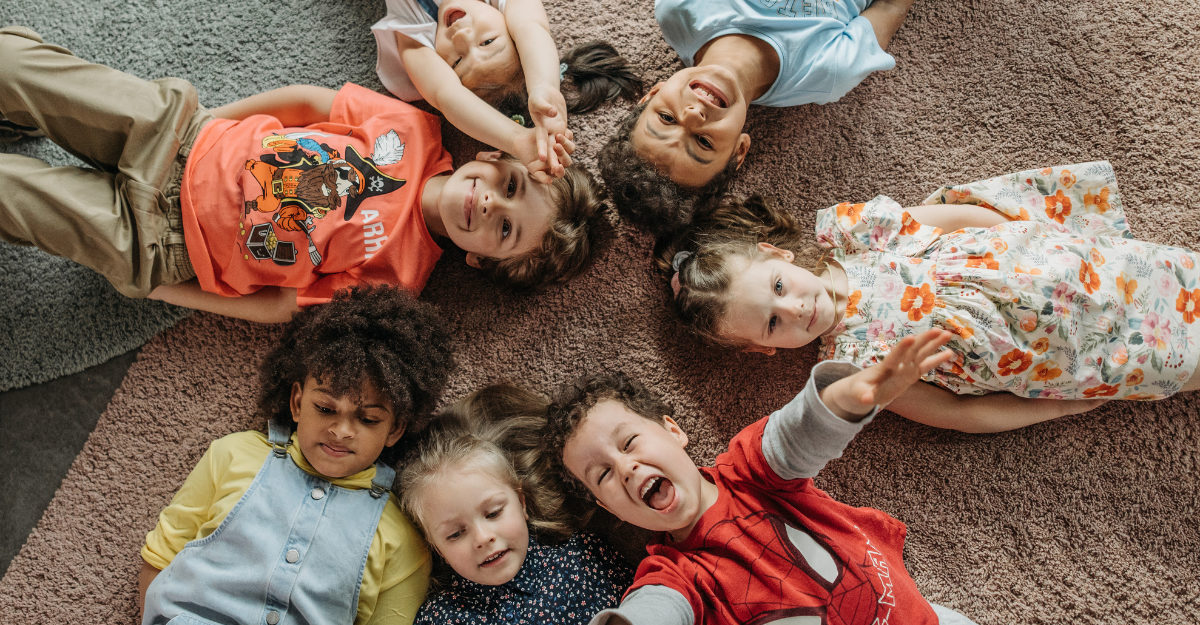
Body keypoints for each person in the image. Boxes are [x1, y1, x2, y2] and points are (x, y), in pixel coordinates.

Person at [0, 26, 607, 323]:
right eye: (510, 189)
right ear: (493, 157)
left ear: (479, 261)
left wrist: (157, 286)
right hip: (177, 138)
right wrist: (209, 121)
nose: (488, 207)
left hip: (161, 246)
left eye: (503, 232)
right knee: (18, 65)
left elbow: (283, 305)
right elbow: (309, 104)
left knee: (14, 196)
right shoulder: (414, 133)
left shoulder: (399, 281)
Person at [659, 162, 1200, 432]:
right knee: (1179, 360)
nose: (796, 308)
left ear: (777, 255)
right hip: (1063, 356)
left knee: (1175, 277)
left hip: (1069, 267)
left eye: (779, 288)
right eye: (773, 324)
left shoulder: (862, 234)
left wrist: (1035, 241)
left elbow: (964, 221)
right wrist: (1061, 405)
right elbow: (962, 413)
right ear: (762, 350)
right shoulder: (858, 371)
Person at [544, 330, 982, 625]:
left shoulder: (749, 468)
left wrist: (848, 397)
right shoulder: (674, 575)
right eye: (602, 474)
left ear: (673, 431)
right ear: (606, 506)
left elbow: (796, 434)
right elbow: (656, 608)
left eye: (629, 443)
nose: (625, 468)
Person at [137, 284, 456, 625]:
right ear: (297, 402)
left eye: (367, 419)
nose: (341, 430)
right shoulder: (233, 455)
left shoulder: (401, 536)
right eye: (324, 408)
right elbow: (160, 557)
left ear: (395, 430)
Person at [597, 0, 915, 235]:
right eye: (703, 142)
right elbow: (890, 6)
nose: (693, 115)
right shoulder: (826, 73)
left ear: (652, 94)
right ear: (739, 150)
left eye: (666, 119)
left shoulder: (680, 9)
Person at [396, 384, 634, 625]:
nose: (483, 538)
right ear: (437, 549)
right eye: (455, 533)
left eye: (494, 513)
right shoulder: (440, 618)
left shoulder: (585, 559)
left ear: (522, 503)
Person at [371, 0, 642, 180]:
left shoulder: (416, 27)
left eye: (457, 61)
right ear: (508, 24)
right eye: (487, 42)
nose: (461, 36)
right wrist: (545, 88)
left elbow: (445, 95)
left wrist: (515, 140)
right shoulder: (500, 5)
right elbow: (531, 26)